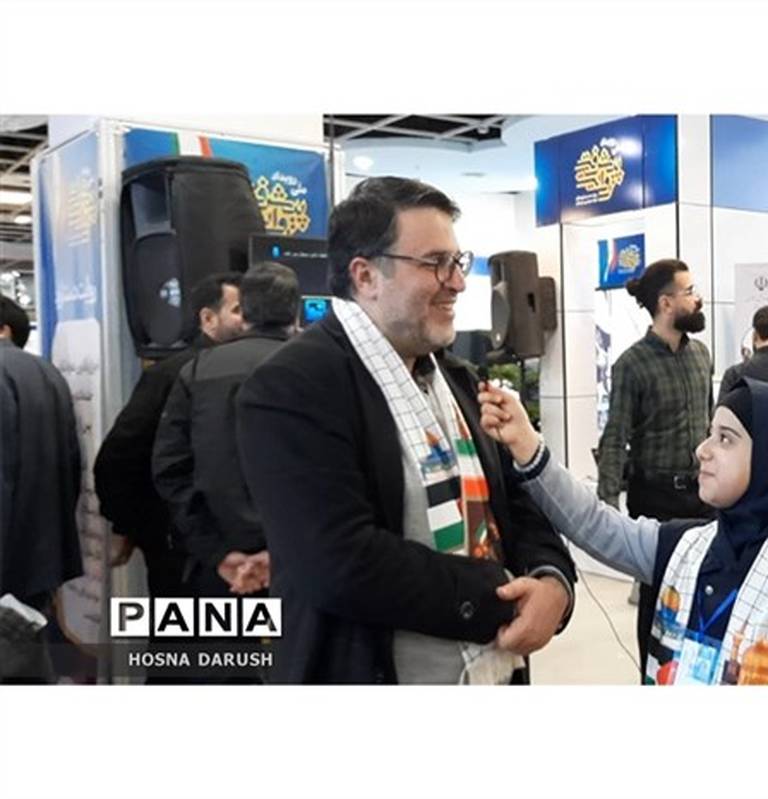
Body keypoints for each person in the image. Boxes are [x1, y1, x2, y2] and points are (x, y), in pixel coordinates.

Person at [236, 177, 575, 684]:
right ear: (366, 275)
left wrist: (552, 582)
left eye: (457, 262)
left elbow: (516, 504)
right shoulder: (291, 386)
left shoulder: (457, 379)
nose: (457, 282)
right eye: (436, 263)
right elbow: (337, 560)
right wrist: (502, 595)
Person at [480, 377, 768, 684]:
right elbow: (595, 524)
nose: (703, 450)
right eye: (710, 433)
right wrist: (527, 445)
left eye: (726, 439)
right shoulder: (685, 547)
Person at [94, 272, 245, 606]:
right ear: (208, 318)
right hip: (180, 547)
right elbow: (121, 454)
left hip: (241, 547)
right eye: (237, 310)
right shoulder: (173, 373)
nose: (247, 319)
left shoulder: (261, 369)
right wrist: (128, 525)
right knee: (182, 631)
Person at [152, 263, 300, 602]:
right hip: (304, 565)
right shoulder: (324, 367)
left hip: (222, 568)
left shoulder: (197, 371)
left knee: (228, 639)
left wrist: (216, 552)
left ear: (244, 312)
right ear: (295, 311)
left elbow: (170, 470)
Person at [596, 258, 714, 670]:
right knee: (657, 600)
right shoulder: (631, 365)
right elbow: (615, 436)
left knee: (702, 593)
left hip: (703, 497)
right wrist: (607, 506)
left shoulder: (701, 355)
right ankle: (652, 676)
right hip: (655, 500)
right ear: (666, 303)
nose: (697, 299)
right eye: (689, 291)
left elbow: (711, 423)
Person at [0, 297, 82, 682]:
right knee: (27, 657)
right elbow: (72, 461)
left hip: (7, 552)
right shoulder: (49, 373)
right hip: (42, 552)